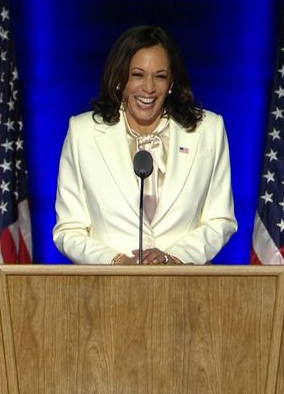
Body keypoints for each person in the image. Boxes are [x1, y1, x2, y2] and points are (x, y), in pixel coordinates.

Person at [53, 25, 237, 265]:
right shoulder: (83, 133)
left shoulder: (209, 130)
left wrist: (175, 258)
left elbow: (221, 220)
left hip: (184, 291)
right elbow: (68, 230)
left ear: (171, 83)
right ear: (120, 79)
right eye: (137, 75)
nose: (148, 88)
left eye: (160, 76)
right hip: (108, 292)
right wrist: (116, 261)